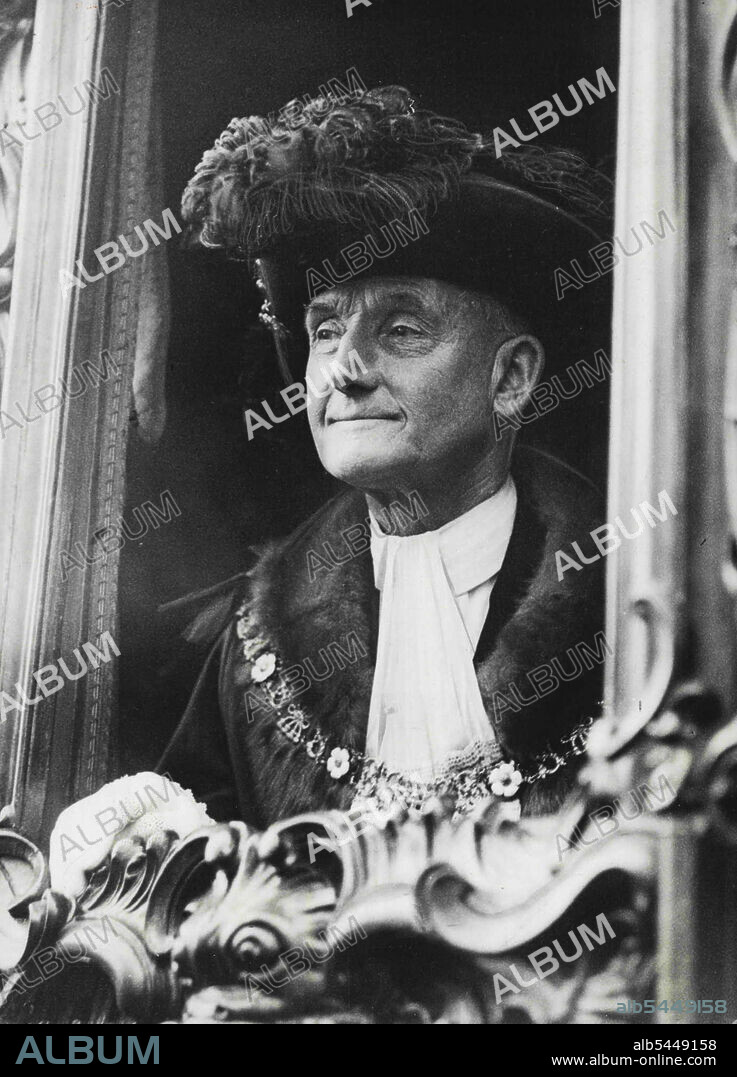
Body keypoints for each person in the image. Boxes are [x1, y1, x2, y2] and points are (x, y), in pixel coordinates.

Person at [51, 85, 611, 892]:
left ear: (512, 377)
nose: (343, 370)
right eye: (323, 331)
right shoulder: (257, 638)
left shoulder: (640, 598)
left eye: (401, 329)